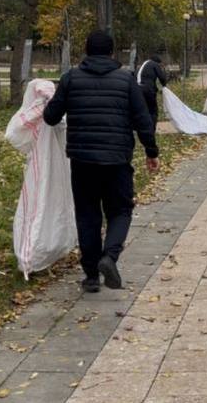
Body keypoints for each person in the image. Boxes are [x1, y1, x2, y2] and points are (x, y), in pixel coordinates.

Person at [43, 31, 160, 293]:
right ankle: (110, 256)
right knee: (120, 210)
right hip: (117, 159)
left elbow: (51, 117)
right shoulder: (126, 80)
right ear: (111, 52)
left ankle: (92, 275)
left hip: (82, 160)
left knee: (87, 214)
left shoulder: (71, 78)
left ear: (86, 51)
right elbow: (142, 119)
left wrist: (46, 100)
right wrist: (151, 151)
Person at [136, 51, 170, 123]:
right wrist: (164, 86)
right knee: (153, 111)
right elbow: (162, 77)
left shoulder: (144, 64)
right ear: (157, 62)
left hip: (138, 89)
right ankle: (152, 127)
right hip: (148, 90)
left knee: (143, 109)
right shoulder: (154, 64)